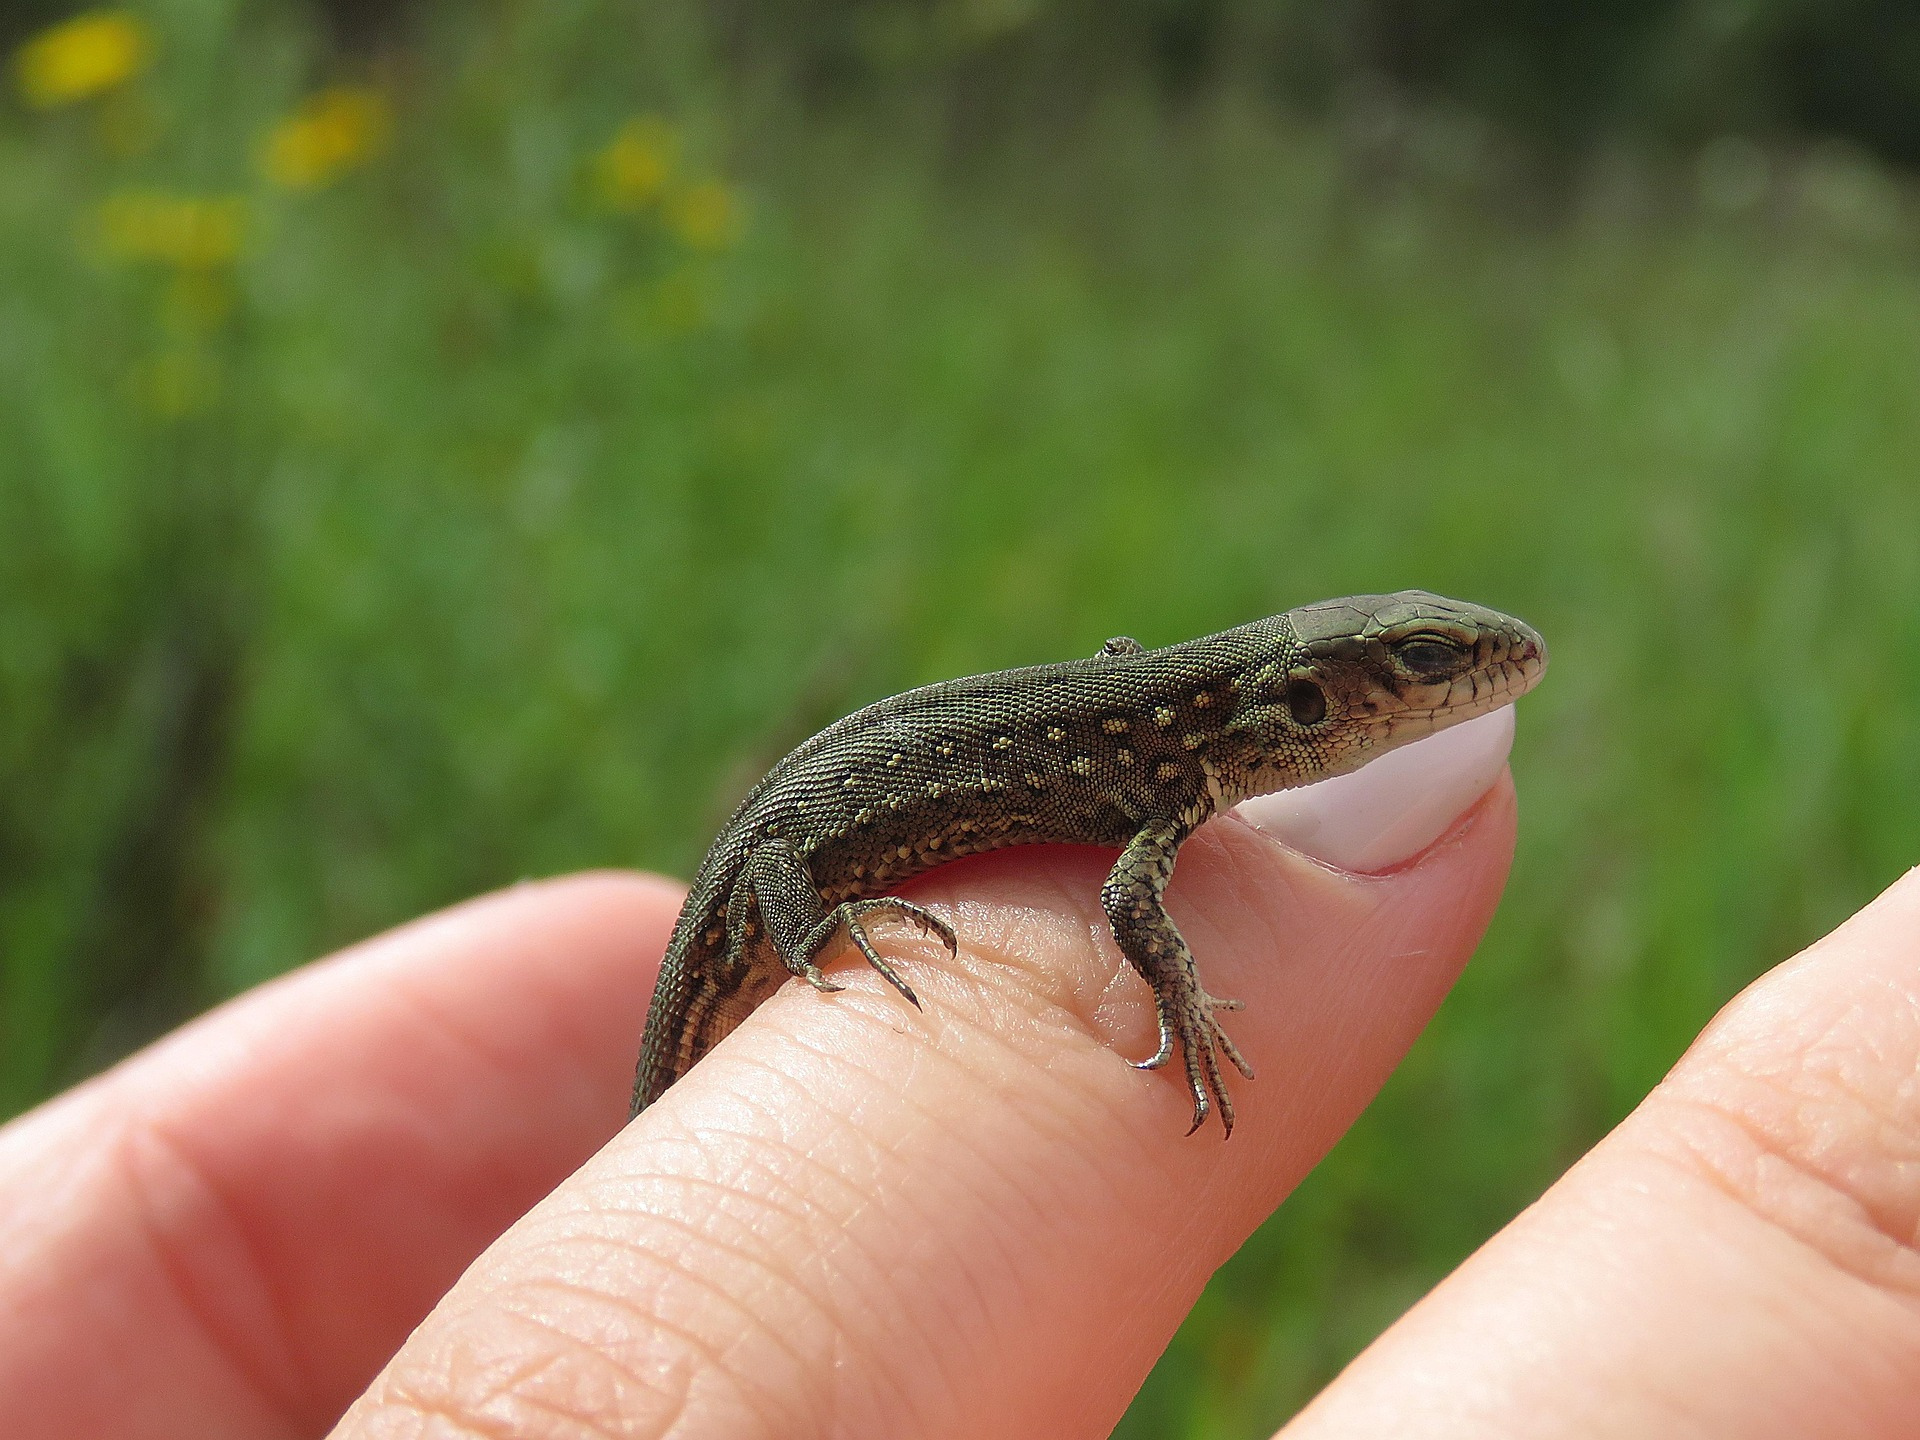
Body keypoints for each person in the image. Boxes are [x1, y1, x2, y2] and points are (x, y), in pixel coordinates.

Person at [4, 710, 1917, 1439]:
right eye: (1412, 672)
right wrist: (1167, 999)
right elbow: (1131, 910)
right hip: (779, 874)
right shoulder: (1170, 775)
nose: (1458, 684)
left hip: (807, 842)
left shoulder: (1179, 761)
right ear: (1296, 712)